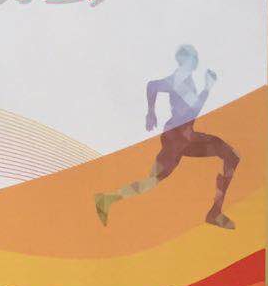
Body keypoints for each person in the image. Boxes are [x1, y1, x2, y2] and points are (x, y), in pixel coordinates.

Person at [94, 45, 239, 230]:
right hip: (179, 139)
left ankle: (215, 212)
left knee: (229, 156)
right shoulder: (180, 80)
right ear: (186, 60)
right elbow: (193, 109)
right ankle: (107, 199)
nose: (196, 61)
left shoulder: (182, 78)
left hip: (183, 137)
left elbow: (152, 86)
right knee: (152, 180)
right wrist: (207, 88)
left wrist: (151, 112)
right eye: (193, 58)